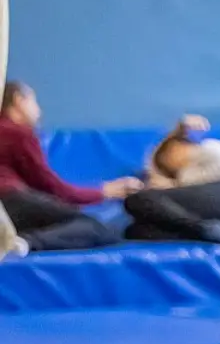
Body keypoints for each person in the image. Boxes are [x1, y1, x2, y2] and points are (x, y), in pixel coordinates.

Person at [0, 81, 138, 253]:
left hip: (11, 208)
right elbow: (52, 187)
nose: (39, 111)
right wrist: (106, 191)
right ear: (19, 100)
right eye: (34, 102)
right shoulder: (18, 132)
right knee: (96, 227)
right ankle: (24, 243)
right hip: (9, 201)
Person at [124, 115, 220, 246]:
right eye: (167, 165)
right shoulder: (187, 174)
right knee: (136, 231)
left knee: (138, 199)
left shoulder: (208, 147)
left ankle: (201, 228)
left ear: (179, 145)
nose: (171, 163)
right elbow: (152, 164)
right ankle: (203, 232)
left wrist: (176, 184)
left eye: (170, 154)